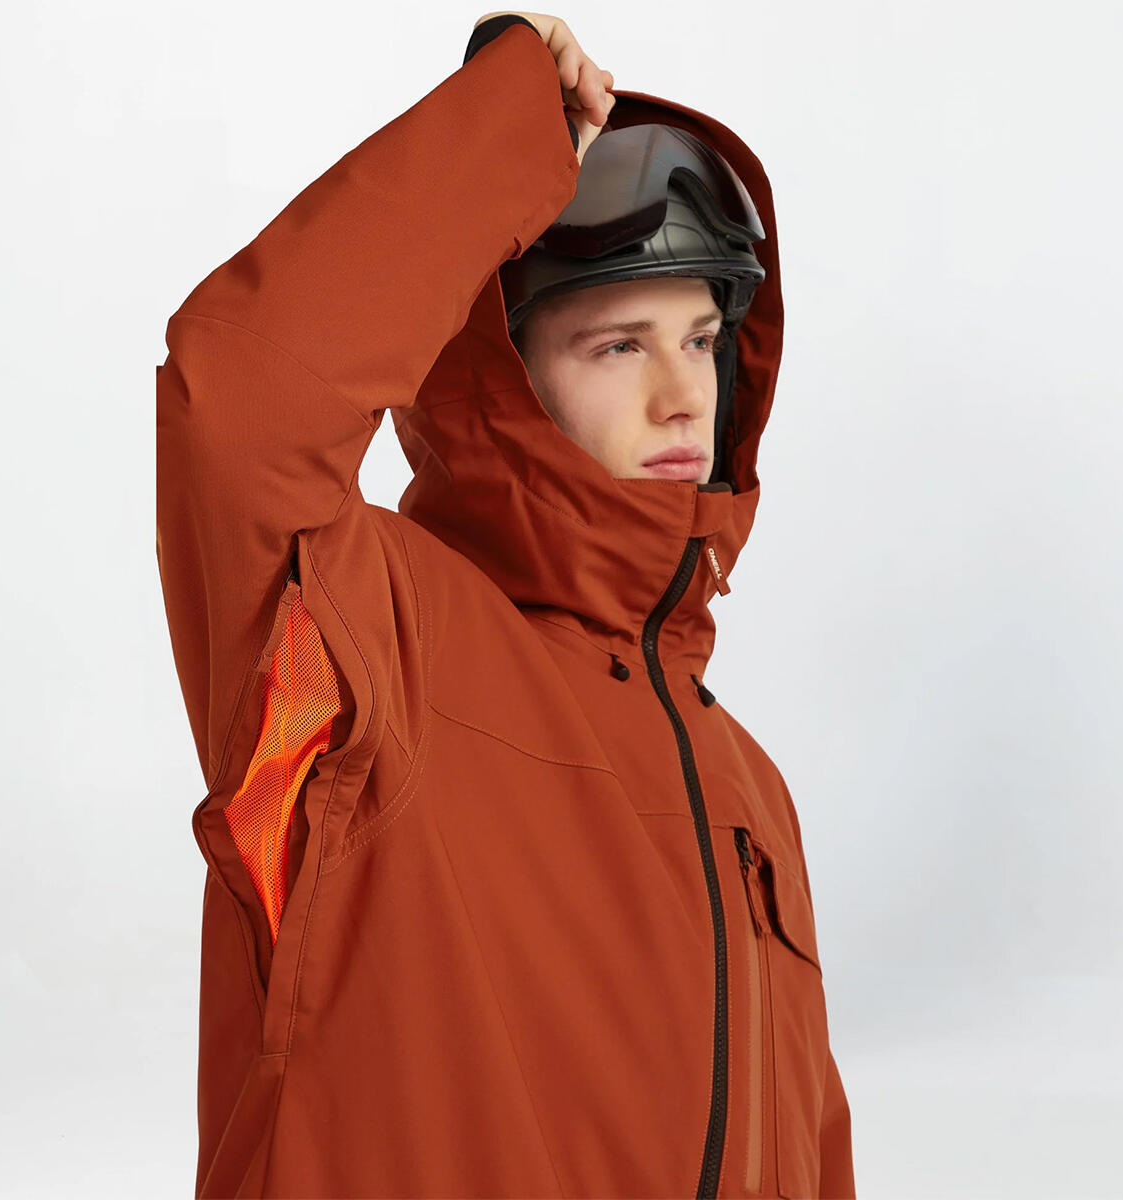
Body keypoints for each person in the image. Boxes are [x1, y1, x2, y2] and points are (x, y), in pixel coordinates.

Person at [155, 10, 855, 1199]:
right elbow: (242, 405)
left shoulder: (751, 788)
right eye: (620, 346)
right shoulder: (378, 650)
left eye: (702, 338)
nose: (686, 395)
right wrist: (502, 134)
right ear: (505, 379)